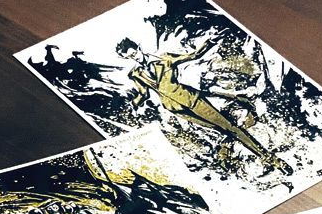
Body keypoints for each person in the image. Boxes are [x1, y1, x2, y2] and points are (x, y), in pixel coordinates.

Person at [115, 36, 293, 175]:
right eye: (129, 57)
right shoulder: (135, 74)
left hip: (192, 100)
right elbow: (143, 94)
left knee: (230, 128)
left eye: (134, 53)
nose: (134, 57)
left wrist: (210, 42)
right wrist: (133, 104)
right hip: (176, 109)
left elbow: (193, 56)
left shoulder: (165, 58)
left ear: (138, 48)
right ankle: (232, 155)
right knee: (222, 130)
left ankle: (271, 159)